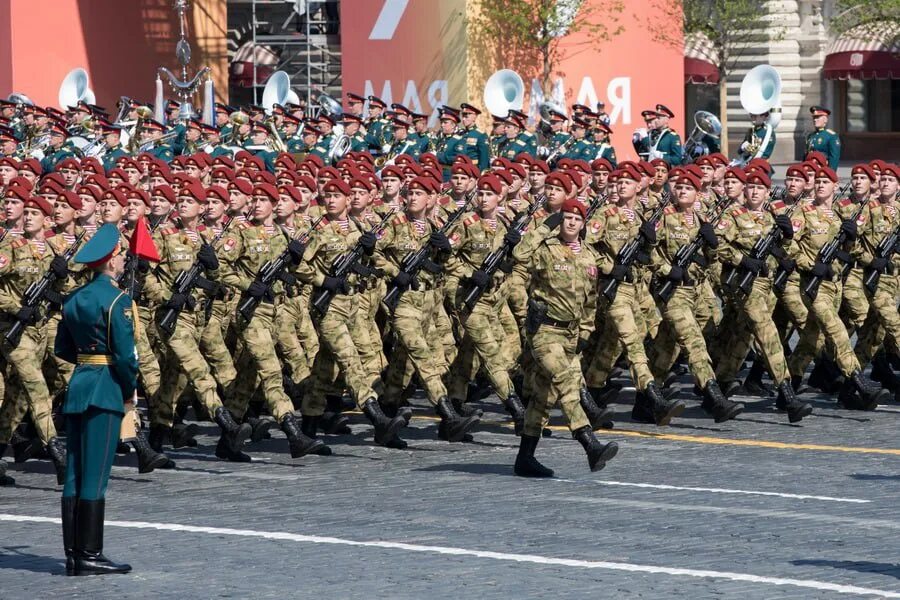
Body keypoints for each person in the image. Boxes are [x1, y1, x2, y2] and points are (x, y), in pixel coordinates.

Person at [512, 198, 619, 477]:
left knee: (542, 397)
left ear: (583, 224)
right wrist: (543, 227)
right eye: (566, 217)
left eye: (576, 219)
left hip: (570, 335)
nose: (570, 222)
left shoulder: (588, 256)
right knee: (567, 384)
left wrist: (585, 330)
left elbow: (591, 299)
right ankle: (589, 443)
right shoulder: (546, 249)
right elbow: (520, 254)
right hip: (545, 332)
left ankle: (525, 458)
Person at [54, 223, 135, 576]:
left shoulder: (73, 299)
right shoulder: (119, 300)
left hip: (80, 385)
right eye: (122, 257)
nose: (125, 263)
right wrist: (129, 386)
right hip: (105, 390)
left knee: (74, 472)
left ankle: (73, 553)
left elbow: (63, 348)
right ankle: (90, 553)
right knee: (96, 476)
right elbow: (126, 357)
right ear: (112, 260)